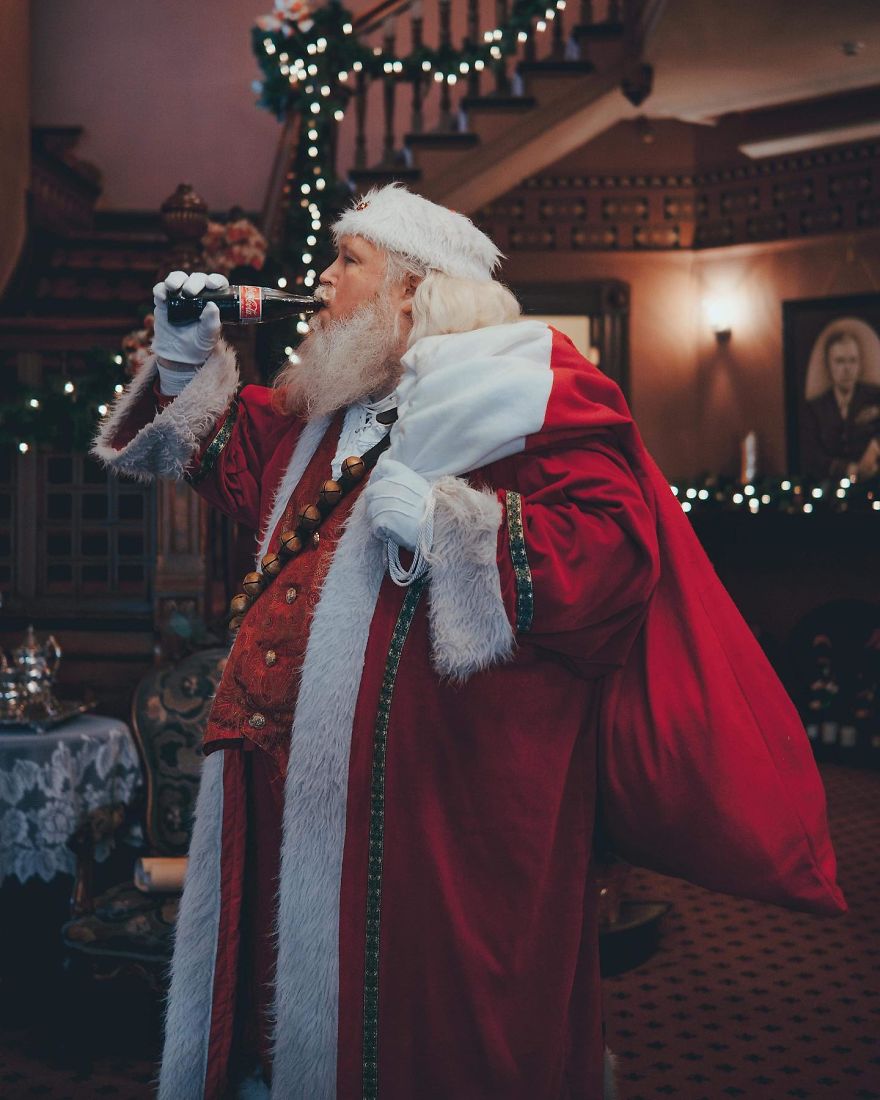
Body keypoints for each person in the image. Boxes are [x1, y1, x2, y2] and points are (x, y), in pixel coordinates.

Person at [93, 183, 844, 1100]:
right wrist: (180, 365)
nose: (322, 281)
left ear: (411, 290)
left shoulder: (520, 393)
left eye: (346, 262)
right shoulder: (330, 412)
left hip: (435, 807)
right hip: (281, 788)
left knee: (422, 1032)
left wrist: (462, 528)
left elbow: (615, 550)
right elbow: (233, 455)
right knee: (274, 1019)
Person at [804, 329, 880, 479]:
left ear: (859, 364)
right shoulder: (817, 407)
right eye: (840, 361)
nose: (847, 369)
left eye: (853, 361)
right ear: (828, 365)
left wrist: (876, 446)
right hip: (829, 490)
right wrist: (850, 469)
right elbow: (812, 455)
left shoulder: (875, 396)